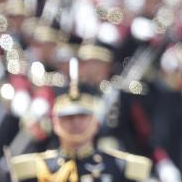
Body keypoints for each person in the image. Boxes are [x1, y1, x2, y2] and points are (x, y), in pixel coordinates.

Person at [9, 60, 152, 182]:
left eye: (83, 116)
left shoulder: (122, 167)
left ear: (95, 122)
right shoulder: (33, 168)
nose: (75, 122)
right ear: (55, 123)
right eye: (68, 117)